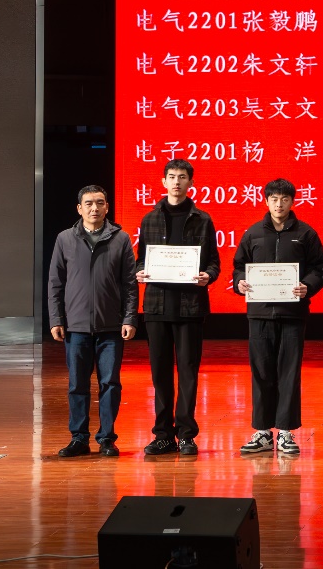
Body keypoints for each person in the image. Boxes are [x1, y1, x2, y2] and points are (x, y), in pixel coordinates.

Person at [232, 179, 323, 456]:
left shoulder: (305, 233)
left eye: (284, 199)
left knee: (289, 373)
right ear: (266, 201)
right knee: (261, 372)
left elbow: (319, 268)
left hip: (293, 314)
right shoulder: (253, 233)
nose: (279, 204)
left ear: (292, 201)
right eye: (274, 199)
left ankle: (285, 431)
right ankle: (262, 432)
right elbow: (239, 267)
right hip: (259, 313)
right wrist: (240, 282)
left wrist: (308, 285)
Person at [135, 159, 221, 456]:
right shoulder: (149, 219)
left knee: (188, 373)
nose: (176, 182)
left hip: (190, 307)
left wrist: (208, 275)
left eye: (182, 177)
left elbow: (214, 261)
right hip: (156, 307)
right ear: (163, 182)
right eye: (171, 177)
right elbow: (140, 258)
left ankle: (185, 434)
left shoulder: (203, 219)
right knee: (160, 374)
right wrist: (140, 271)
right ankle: (162, 435)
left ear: (190, 183)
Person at [48, 185, 138, 457]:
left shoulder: (121, 239)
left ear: (107, 207)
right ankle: (79, 438)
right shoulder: (65, 239)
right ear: (79, 208)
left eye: (100, 203)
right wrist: (56, 318)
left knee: (110, 383)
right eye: (88, 203)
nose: (94, 208)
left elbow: (129, 284)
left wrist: (130, 318)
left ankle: (107, 438)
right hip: (76, 327)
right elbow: (55, 283)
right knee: (77, 384)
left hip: (110, 327)